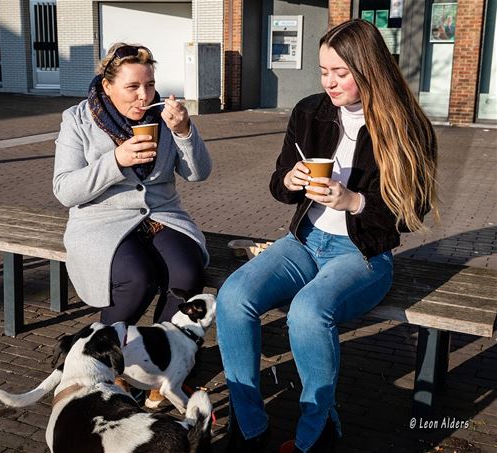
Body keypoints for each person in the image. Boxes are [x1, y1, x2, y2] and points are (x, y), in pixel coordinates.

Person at [216, 19, 438, 453]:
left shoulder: (406, 125)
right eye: (323, 71)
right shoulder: (309, 111)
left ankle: (316, 434)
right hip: (303, 241)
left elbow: (412, 214)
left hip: (362, 254)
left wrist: (354, 202)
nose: (330, 82)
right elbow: (278, 187)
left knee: (307, 312)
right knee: (233, 297)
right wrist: (292, 178)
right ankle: (248, 427)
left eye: (341, 72)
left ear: (369, 69)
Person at [53, 43, 211, 405]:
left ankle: (163, 371)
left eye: (150, 85)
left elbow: (199, 174)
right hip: (101, 219)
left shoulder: (166, 120)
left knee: (186, 274)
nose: (144, 96)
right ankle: (93, 363)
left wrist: (185, 131)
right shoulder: (77, 120)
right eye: (133, 87)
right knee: (137, 279)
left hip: (161, 215)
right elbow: (64, 190)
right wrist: (116, 160)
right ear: (107, 86)